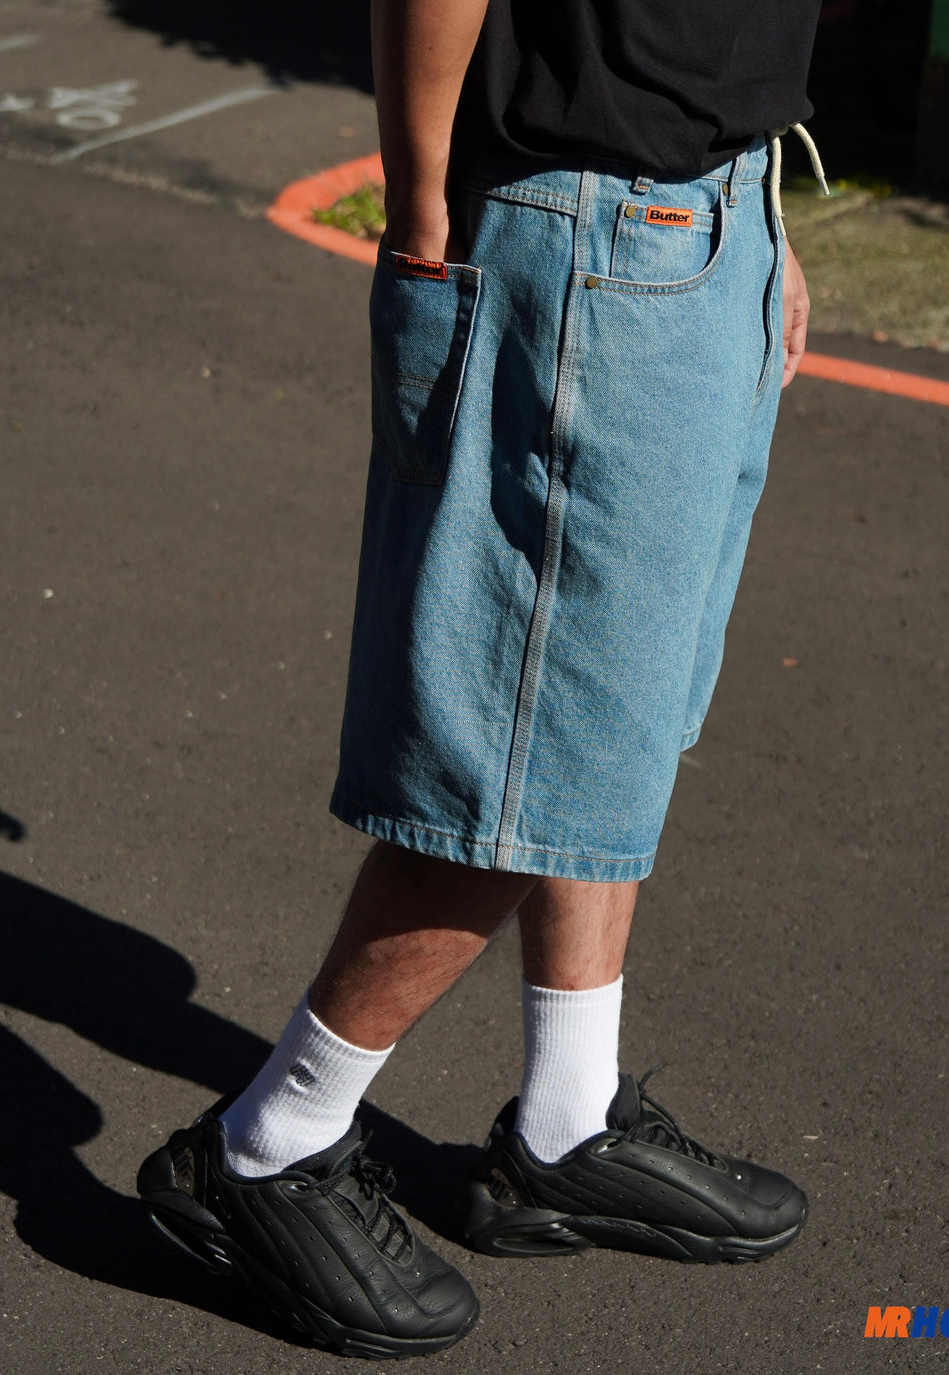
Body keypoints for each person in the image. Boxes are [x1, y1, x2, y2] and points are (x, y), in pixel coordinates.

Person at [139, 0, 827, 1358]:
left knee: (615, 717)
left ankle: (565, 1121)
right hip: (589, 232)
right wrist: (419, 221)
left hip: (713, 205)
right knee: (525, 746)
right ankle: (270, 1145)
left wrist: (758, 217)